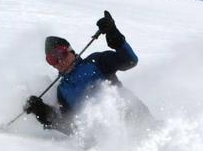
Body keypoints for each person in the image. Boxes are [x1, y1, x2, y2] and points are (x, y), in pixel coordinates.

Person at [23, 11, 152, 136]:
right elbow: (71, 127)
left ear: (71, 51)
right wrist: (43, 112)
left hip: (137, 119)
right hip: (110, 140)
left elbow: (130, 60)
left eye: (61, 54)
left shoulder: (96, 61)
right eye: (52, 59)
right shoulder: (63, 91)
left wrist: (113, 33)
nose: (59, 61)